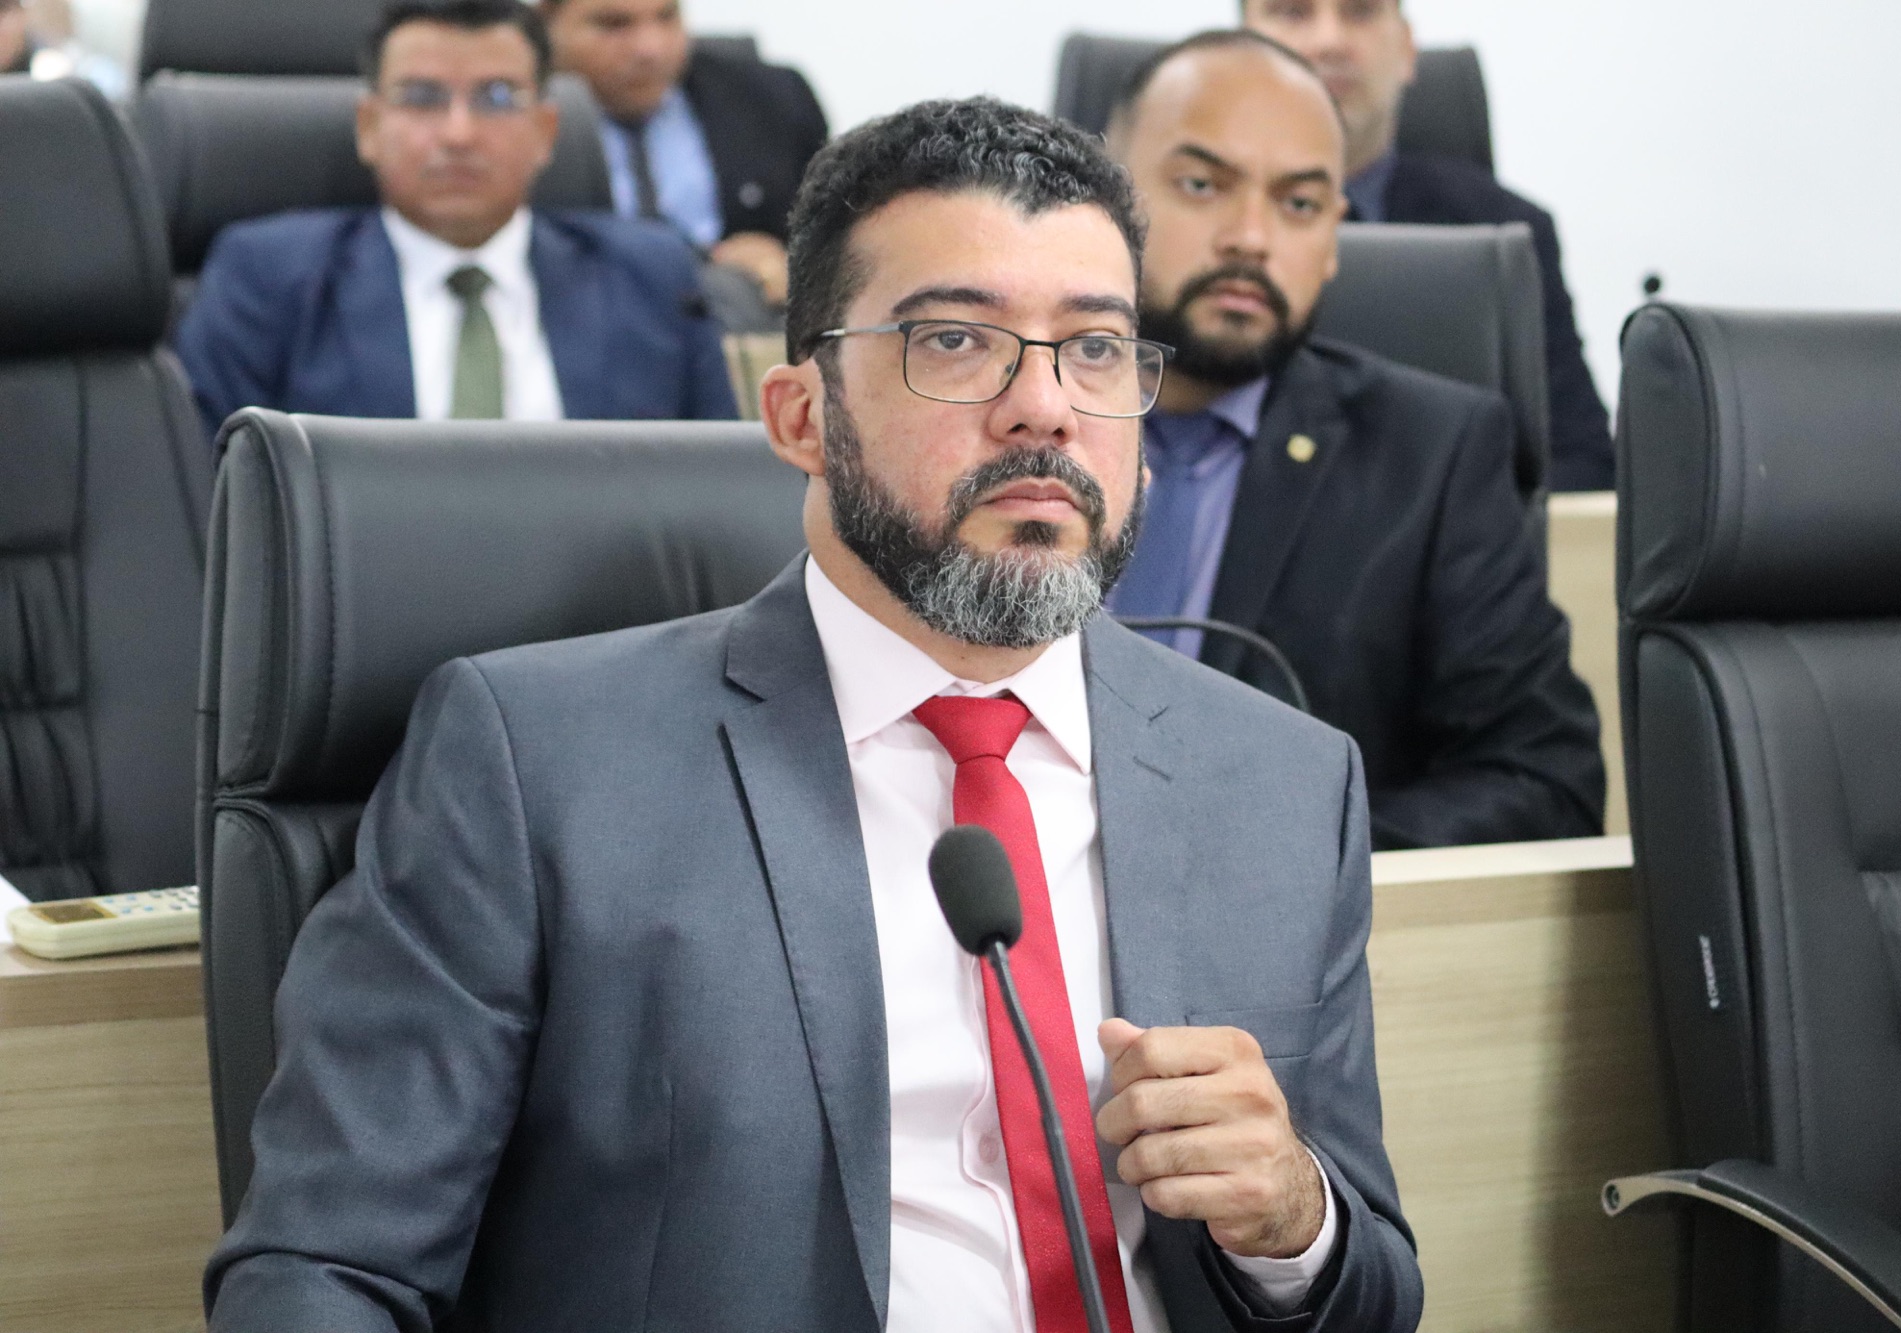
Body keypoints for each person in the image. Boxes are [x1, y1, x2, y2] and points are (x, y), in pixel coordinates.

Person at [202, 97, 1422, 1333]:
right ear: (801, 417)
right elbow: (324, 1270)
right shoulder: (535, 765)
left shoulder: (1279, 780)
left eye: (1095, 348)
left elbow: (1374, 1294)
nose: (1045, 407)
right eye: (957, 340)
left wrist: (1294, 1221)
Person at [1105, 31, 1604, 850]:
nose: (1251, 237)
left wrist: (1298, 862)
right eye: (1201, 184)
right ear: (1106, 196)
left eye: (1299, 204)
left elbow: (1545, 783)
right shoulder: (998, 415)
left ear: (1335, 236)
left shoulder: (1431, 458)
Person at [176, 0, 736, 442]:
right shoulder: (269, 277)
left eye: (497, 98)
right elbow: (216, 495)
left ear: (546, 131)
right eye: (422, 98)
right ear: (369, 127)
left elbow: (713, 491)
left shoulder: (649, 276)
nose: (458, 134)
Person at [1243, 0, 1614, 492]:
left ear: (1406, 49)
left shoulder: (1507, 234)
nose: (1330, 41)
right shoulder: (1167, 233)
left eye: (1360, 12)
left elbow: (1582, 464)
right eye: (1293, 12)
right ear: (1241, 53)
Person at [541, 0, 828, 312]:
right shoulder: (517, 118)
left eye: (667, 17)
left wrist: (789, 265)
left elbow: (833, 239)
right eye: (614, 25)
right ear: (546, 23)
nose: (651, 48)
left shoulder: (771, 98)